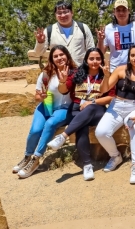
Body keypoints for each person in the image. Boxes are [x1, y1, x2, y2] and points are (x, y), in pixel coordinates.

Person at [47, 47, 115, 181]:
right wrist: (62, 81)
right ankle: (87, 165)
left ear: (101, 60)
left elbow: (111, 97)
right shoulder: (77, 73)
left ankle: (63, 136)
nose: (94, 61)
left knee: (90, 108)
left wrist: (92, 102)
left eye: (98, 58)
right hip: (76, 109)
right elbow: (63, 91)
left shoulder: (106, 74)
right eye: (91, 58)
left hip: (97, 109)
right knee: (81, 127)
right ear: (85, 60)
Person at [13, 45, 77, 178]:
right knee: (35, 130)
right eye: (56, 56)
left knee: (50, 124)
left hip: (64, 108)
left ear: (67, 55)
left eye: (62, 55)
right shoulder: (46, 74)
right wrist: (40, 97)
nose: (59, 58)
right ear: (52, 59)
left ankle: (35, 159)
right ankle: (27, 156)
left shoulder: (75, 73)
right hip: (46, 106)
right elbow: (37, 96)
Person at [95, 44, 135, 184]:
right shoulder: (121, 70)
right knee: (101, 132)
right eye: (132, 55)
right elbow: (104, 89)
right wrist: (106, 76)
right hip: (117, 106)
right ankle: (115, 156)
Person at [97, 0, 135, 72]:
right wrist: (100, 40)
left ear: (129, 11)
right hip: (115, 71)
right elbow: (100, 53)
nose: (121, 13)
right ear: (114, 12)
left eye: (124, 10)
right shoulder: (108, 29)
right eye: (118, 10)